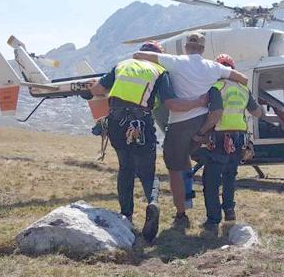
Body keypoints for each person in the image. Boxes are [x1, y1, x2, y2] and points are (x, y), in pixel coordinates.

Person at [88, 40, 206, 242]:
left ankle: (126, 215)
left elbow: (97, 90)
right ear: (156, 55)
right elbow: (172, 104)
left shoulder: (122, 65)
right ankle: (152, 202)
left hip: (116, 123)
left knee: (125, 168)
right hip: (140, 123)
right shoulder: (160, 71)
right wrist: (198, 102)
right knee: (148, 172)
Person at [133, 32, 248, 226]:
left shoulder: (176, 61)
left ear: (186, 47)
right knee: (194, 164)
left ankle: (181, 213)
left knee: (175, 168)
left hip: (181, 122)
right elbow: (243, 78)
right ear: (203, 49)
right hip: (206, 124)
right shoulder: (213, 67)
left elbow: (138, 55)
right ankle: (206, 206)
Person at [192, 54, 262, 229]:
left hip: (221, 137)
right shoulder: (244, 89)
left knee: (211, 180)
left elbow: (216, 114)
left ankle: (213, 219)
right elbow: (257, 113)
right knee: (230, 176)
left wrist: (200, 132)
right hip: (239, 138)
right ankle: (229, 209)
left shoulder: (217, 87)